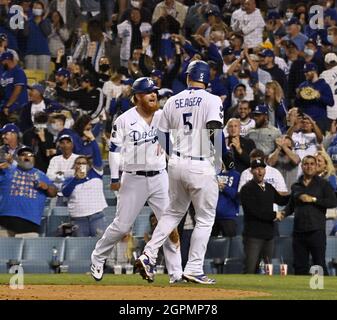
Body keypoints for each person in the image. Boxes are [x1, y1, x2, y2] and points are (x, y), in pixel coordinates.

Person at [136, 60, 226, 284]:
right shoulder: (212, 99)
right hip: (201, 164)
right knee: (204, 219)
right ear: (207, 78)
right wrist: (222, 158)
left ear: (188, 77)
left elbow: (161, 135)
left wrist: (173, 156)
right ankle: (194, 267)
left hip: (176, 164)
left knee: (173, 214)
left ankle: (148, 254)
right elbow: (214, 128)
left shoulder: (173, 100)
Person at [91, 77, 183, 284]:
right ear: (137, 97)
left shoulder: (163, 117)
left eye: (155, 92)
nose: (154, 95)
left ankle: (176, 273)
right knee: (122, 227)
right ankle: (97, 258)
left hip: (160, 176)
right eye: (149, 92)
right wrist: (114, 177)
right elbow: (114, 150)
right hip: (133, 179)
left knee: (170, 226)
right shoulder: (124, 120)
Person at [282, 155, 337, 275]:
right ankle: (301, 293)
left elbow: (333, 202)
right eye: (306, 164)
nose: (309, 166)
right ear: (302, 166)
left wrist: (313, 199)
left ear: (316, 166)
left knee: (318, 265)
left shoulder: (323, 184)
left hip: (316, 231)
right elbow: (291, 206)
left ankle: (320, 291)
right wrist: (282, 214)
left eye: (312, 164)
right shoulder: (296, 185)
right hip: (299, 232)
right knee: (299, 266)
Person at [240, 159, 289, 274]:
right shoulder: (247, 189)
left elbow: (281, 200)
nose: (260, 171)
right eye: (256, 169)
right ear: (251, 171)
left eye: (262, 168)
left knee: (268, 269)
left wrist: (295, 194)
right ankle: (245, 292)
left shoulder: (269, 187)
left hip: (268, 235)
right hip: (253, 235)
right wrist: (274, 214)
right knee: (250, 268)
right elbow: (254, 212)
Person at [0, 146, 57, 237]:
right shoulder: (7, 170)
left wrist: (46, 187)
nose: (27, 157)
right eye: (23, 155)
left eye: (30, 155)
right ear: (17, 158)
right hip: (4, 221)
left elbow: (54, 193)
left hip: (29, 222)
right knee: (3, 250)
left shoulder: (41, 175)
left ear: (34, 159)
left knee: (28, 251)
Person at [62, 145, 107, 237]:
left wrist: (92, 140)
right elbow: (65, 193)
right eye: (78, 163)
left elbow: (97, 155)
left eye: (84, 163)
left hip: (96, 217)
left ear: (88, 165)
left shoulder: (96, 173)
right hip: (78, 219)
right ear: (74, 166)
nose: (81, 165)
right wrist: (76, 179)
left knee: (100, 247)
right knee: (80, 248)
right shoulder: (69, 179)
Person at [295, 63, 334, 133]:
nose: (305, 73)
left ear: (314, 71)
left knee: (320, 142)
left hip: (320, 120)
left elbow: (331, 102)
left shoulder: (323, 85)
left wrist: (320, 96)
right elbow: (297, 104)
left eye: (307, 72)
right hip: (306, 120)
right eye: (304, 72)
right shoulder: (302, 85)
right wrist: (298, 97)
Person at [46, 134, 78, 201]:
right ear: (59, 146)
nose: (65, 145)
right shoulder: (54, 159)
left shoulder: (78, 158)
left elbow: (77, 174)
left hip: (74, 194)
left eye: (67, 143)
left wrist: (61, 173)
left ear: (72, 145)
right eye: (62, 143)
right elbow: (49, 176)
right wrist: (69, 175)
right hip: (57, 194)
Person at [0, 51, 28, 126]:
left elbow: (17, 90)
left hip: (18, 106)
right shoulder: (3, 71)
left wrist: (8, 105)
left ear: (7, 60)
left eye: (2, 61)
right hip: (5, 105)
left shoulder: (18, 72)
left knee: (14, 127)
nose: (1, 63)